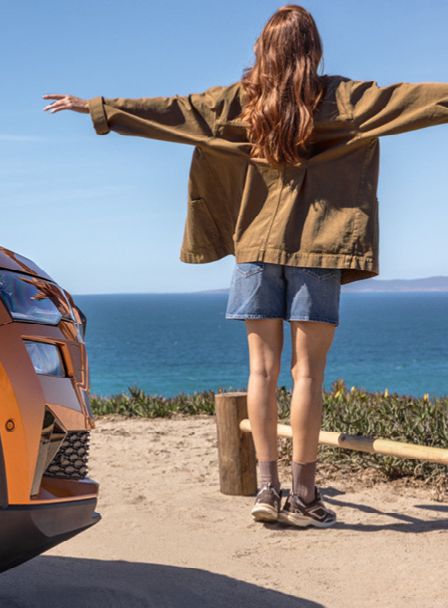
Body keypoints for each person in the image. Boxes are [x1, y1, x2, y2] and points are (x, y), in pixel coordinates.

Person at [43, 4, 448, 528]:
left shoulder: (240, 102)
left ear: (264, 49)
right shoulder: (343, 98)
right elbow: (417, 100)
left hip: (256, 251)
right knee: (308, 375)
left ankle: (265, 490)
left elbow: (174, 111)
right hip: (317, 252)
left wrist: (98, 107)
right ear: (312, 49)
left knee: (260, 371)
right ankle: (304, 495)